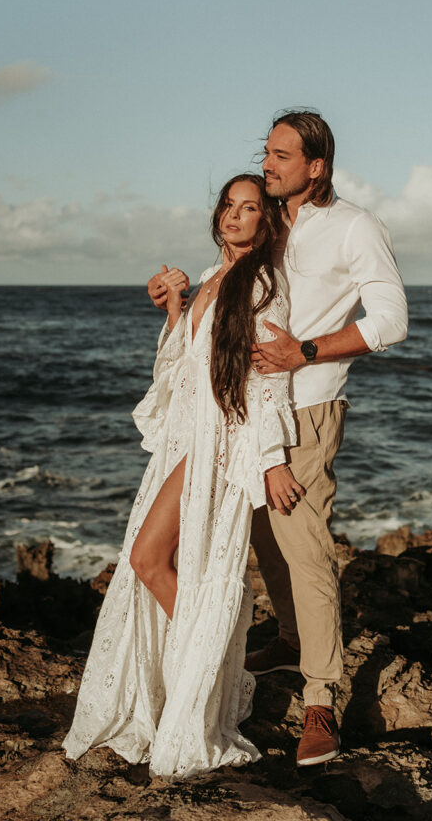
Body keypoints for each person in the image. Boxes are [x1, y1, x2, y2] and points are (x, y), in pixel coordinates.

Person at [147, 110, 408, 768]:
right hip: (240, 418)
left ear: (315, 166)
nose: (268, 166)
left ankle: (321, 697)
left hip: (305, 412)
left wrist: (306, 351)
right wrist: (178, 302)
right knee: (262, 539)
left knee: (304, 548)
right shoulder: (262, 225)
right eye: (265, 154)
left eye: (281, 156)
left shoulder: (354, 227)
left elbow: (391, 321)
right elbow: (226, 314)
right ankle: (291, 639)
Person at [63, 174, 298, 781]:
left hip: (218, 441)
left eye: (250, 208)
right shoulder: (210, 277)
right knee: (163, 566)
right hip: (182, 441)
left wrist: (269, 460)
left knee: (146, 559)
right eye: (229, 205)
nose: (236, 215)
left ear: (266, 222)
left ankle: (217, 675)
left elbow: (267, 378)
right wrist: (176, 308)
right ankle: (214, 671)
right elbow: (182, 367)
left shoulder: (265, 283)